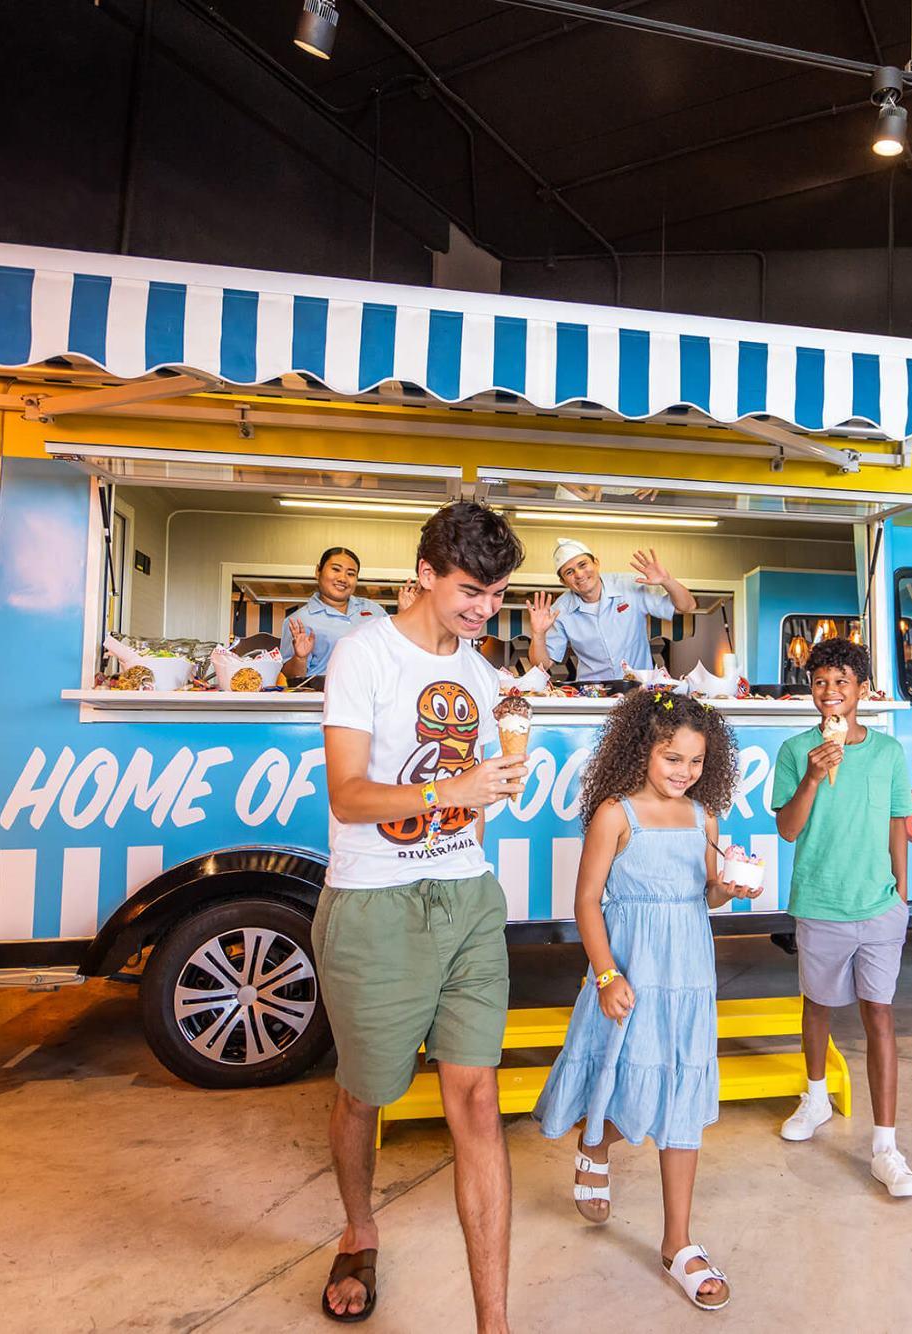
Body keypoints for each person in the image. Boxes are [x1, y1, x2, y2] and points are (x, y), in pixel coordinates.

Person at [316, 501, 529, 1329]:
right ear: (426, 575)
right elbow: (349, 793)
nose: (484, 609)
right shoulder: (363, 656)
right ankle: (359, 1227)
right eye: (471, 590)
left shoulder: (479, 672)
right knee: (365, 1095)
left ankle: (494, 1323)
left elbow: (470, 805)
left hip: (468, 896)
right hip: (375, 904)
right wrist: (455, 789)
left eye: (498, 595)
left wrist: (501, 781)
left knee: (477, 1100)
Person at [532, 689, 754, 1312]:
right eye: (670, 758)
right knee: (612, 1072)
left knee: (682, 1089)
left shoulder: (703, 817)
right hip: (628, 973)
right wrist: (605, 975)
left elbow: (705, 894)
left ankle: (678, 1241)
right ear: (641, 751)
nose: (683, 773)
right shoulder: (616, 813)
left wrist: (727, 889)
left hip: (688, 977)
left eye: (695, 762)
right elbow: (586, 901)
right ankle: (594, 1146)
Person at [769, 637, 912, 1198]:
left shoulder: (887, 753)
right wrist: (812, 776)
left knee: (879, 1014)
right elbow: (788, 829)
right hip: (819, 901)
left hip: (880, 905)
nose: (830, 693)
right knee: (819, 1005)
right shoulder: (795, 751)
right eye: (819, 683)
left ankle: (885, 1145)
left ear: (863, 690)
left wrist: (901, 896)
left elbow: (898, 823)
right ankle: (815, 1099)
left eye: (841, 683)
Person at [526, 539, 695, 682]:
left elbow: (687, 607)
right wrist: (537, 634)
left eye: (583, 565)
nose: (579, 574)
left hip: (641, 690)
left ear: (596, 563)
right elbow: (542, 665)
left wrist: (667, 581)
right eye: (569, 572)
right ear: (563, 582)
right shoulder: (560, 610)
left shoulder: (630, 585)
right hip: (593, 695)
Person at [282, 547, 389, 682]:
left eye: (350, 574)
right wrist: (299, 658)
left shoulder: (374, 610)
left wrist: (405, 612)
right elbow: (288, 679)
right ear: (318, 571)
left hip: (371, 696)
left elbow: (395, 649)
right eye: (335, 569)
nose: (342, 578)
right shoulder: (299, 620)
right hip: (322, 698)